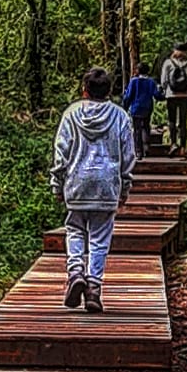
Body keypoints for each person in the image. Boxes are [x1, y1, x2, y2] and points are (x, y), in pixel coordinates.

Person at [50, 66, 135, 313]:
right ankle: (94, 289)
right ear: (109, 91)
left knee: (75, 230)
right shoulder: (120, 117)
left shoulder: (71, 114)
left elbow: (61, 152)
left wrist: (57, 182)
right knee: (99, 238)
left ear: (84, 90)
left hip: (77, 183)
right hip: (107, 185)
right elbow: (129, 155)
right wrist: (125, 186)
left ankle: (75, 272)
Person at [160, 42, 187, 155]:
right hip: (185, 96)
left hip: (171, 96)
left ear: (174, 50)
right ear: (186, 52)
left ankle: (173, 143)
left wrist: (164, 90)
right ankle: (183, 147)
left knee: (171, 120)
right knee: (183, 122)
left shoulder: (168, 63)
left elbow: (163, 81)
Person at [122, 61, 163, 160]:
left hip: (136, 108)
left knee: (137, 130)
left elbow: (129, 96)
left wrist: (125, 107)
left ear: (137, 70)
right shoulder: (151, 82)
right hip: (147, 107)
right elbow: (156, 95)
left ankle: (138, 152)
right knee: (146, 127)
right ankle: (146, 147)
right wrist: (162, 94)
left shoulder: (134, 81)